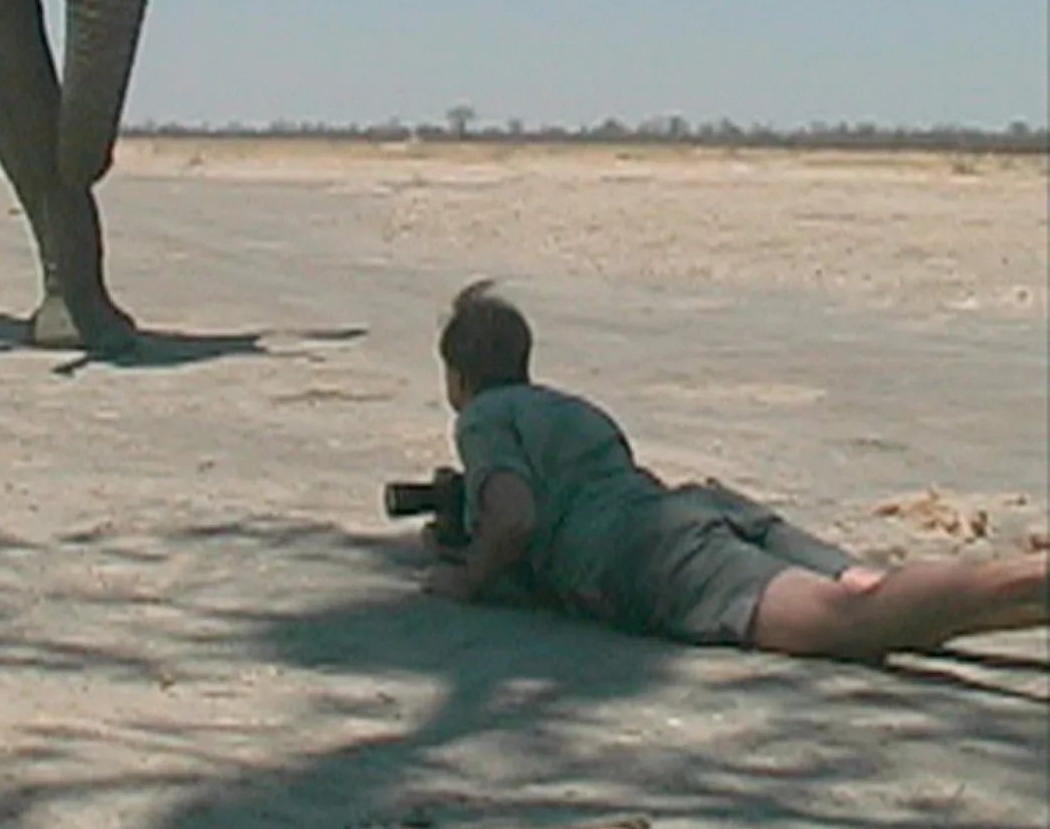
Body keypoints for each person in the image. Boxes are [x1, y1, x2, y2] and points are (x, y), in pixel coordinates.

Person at [420, 280, 1049, 660]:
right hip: (696, 508)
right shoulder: (566, 407)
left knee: (848, 623)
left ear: (457, 375)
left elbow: (515, 518)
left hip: (643, 551)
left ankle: (1030, 574)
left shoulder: (481, 417)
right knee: (872, 596)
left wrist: (468, 580)